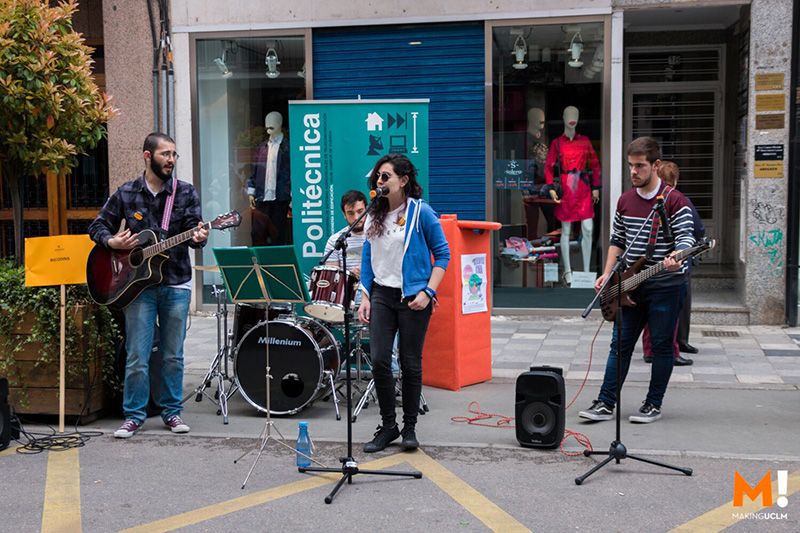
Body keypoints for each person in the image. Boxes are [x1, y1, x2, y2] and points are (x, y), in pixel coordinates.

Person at [88, 132, 208, 438]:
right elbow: (97, 226)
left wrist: (199, 236)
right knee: (137, 355)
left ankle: (172, 412)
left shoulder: (185, 192)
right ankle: (134, 415)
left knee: (172, 355)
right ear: (147, 156)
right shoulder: (127, 193)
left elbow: (195, 233)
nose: (171, 160)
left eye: (174, 154)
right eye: (165, 154)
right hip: (136, 287)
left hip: (176, 282)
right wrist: (112, 242)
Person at [579, 137, 695, 424]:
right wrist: (608, 273)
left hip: (666, 285)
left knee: (662, 346)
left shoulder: (675, 201)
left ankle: (653, 404)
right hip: (630, 284)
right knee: (619, 345)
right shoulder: (625, 200)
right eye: (630, 165)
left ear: (656, 165)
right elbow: (617, 240)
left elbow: (686, 239)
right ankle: (605, 403)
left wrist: (676, 257)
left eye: (640, 166)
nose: (633, 171)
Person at [357, 154, 450, 452]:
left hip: (413, 297)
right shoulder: (373, 213)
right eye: (378, 177)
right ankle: (388, 426)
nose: (379, 181)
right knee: (380, 360)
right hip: (382, 295)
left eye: (385, 176)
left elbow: (443, 255)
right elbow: (368, 257)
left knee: (410, 363)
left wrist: (428, 292)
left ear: (404, 180)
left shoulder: (421, 212)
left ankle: (410, 427)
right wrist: (365, 295)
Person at [642, 161, 705, 365]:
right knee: (672, 310)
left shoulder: (646, 201)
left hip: (650, 264)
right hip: (674, 264)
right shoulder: (679, 201)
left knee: (651, 309)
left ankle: (651, 348)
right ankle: (672, 349)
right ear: (675, 181)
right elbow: (697, 229)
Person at [545, 106, 601, 285]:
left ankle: (586, 271)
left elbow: (595, 164)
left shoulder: (584, 141)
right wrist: (550, 187)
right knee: (566, 229)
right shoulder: (557, 143)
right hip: (567, 187)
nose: (572, 117)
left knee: (588, 228)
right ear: (563, 117)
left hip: (583, 187)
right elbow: (548, 166)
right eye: (568, 114)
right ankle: (568, 271)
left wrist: (596, 186)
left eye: (575, 114)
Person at [247, 111, 291, 245]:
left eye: (272, 122)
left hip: (281, 198)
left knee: (278, 233)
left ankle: (278, 258)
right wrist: (251, 192)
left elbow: (294, 172)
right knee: (257, 233)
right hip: (262, 197)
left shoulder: (288, 147)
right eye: (267, 123)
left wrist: (292, 196)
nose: (269, 126)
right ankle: (259, 258)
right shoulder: (261, 148)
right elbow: (254, 171)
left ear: (279, 123)